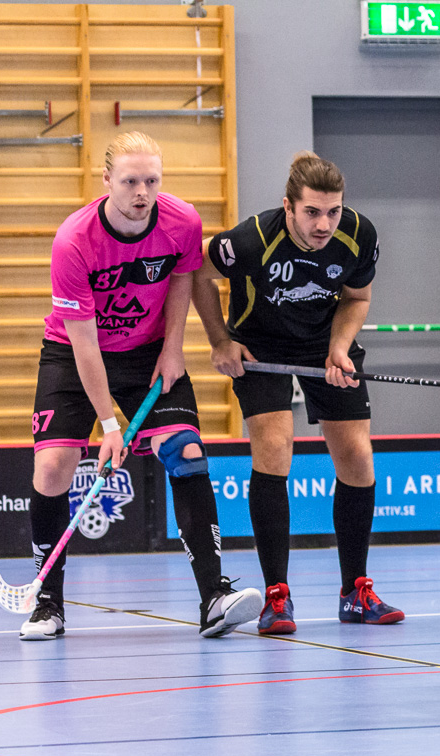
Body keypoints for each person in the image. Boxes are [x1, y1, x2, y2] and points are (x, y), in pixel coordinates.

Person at [22, 131, 261, 641]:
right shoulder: (73, 241)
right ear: (106, 180)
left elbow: (182, 277)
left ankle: (214, 597)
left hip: (149, 351)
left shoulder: (182, 221)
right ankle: (47, 602)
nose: (142, 193)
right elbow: (84, 342)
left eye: (152, 181)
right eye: (130, 181)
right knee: (54, 465)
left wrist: (173, 348)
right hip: (75, 352)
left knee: (187, 452)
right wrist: (109, 425)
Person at [191, 151, 402, 635]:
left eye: (333, 211)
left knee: (356, 456)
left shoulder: (358, 234)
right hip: (260, 346)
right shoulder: (250, 239)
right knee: (273, 447)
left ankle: (355, 592)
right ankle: (276, 595)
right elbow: (197, 273)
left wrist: (340, 348)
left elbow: (357, 297)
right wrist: (220, 341)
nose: (324, 224)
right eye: (311, 212)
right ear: (288, 206)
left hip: (324, 344)